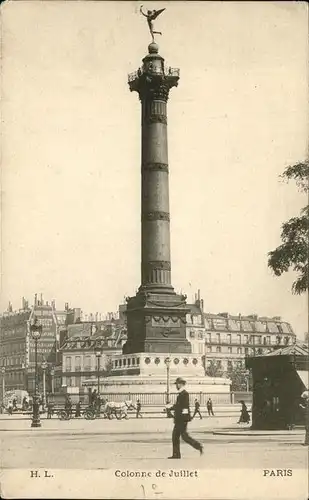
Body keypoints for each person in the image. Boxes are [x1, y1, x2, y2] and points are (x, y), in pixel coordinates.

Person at [167, 377, 203, 459]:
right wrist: (171, 408)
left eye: (177, 384)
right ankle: (177, 454)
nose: (176, 385)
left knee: (178, 436)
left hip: (181, 419)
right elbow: (179, 406)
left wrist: (183, 418)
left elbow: (185, 407)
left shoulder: (184, 394)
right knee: (182, 436)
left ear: (181, 384)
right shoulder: (181, 394)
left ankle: (178, 454)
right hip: (180, 419)